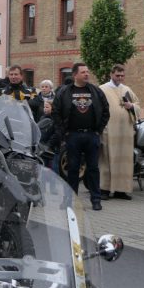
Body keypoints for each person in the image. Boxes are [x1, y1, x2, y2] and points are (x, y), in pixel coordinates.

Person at [54, 62, 109, 211]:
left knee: (93, 169)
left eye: (87, 71)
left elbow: (105, 111)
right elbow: (56, 113)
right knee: (72, 170)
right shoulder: (64, 92)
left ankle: (96, 200)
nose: (87, 74)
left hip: (91, 135)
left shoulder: (96, 91)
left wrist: (98, 130)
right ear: (75, 75)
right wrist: (64, 133)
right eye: (83, 72)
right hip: (72, 136)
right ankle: (70, 201)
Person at [98, 64, 138, 200]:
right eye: (117, 75)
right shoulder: (102, 89)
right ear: (111, 74)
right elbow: (98, 109)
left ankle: (121, 190)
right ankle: (104, 189)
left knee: (124, 160)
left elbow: (138, 105)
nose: (120, 78)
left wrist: (131, 106)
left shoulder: (126, 89)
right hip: (109, 130)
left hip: (125, 131)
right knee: (107, 159)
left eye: (122, 75)